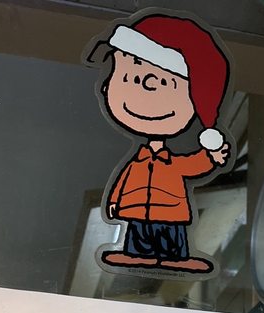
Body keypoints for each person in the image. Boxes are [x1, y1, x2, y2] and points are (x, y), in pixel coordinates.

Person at [90, 14, 232, 274]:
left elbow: (193, 166)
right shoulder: (137, 162)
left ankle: (176, 258)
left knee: (171, 237)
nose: (146, 93)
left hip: (171, 212)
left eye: (165, 83)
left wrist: (211, 156)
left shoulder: (172, 163)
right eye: (130, 79)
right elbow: (123, 181)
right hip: (137, 210)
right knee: (139, 235)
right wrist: (114, 201)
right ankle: (135, 255)